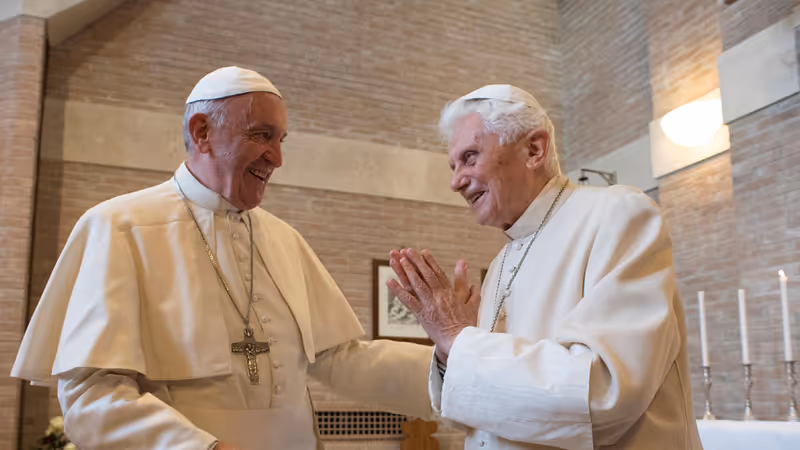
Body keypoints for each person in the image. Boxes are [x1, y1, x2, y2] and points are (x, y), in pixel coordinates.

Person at [12, 67, 433, 450]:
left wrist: (453, 362)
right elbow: (92, 399)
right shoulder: (119, 227)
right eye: (261, 135)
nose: (277, 158)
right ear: (202, 132)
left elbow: (340, 358)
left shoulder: (284, 239)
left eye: (280, 140)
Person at [387, 84, 702, 450]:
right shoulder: (500, 264)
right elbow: (484, 414)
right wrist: (450, 353)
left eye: (470, 158)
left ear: (533, 150)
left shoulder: (616, 214)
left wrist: (458, 339)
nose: (456, 182)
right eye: (453, 166)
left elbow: (605, 392)